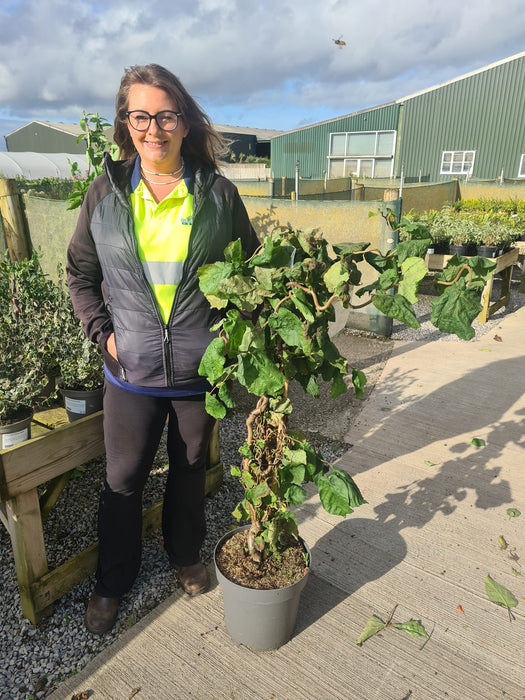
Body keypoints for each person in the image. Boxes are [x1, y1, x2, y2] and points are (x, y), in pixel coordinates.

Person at [66, 64, 260, 635]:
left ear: (184, 120)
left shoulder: (219, 195)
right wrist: (104, 334)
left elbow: (252, 274)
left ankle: (184, 555)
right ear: (126, 123)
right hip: (131, 374)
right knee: (123, 480)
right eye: (141, 115)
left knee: (189, 468)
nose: (154, 128)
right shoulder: (104, 193)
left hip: (199, 372)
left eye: (166, 115)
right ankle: (113, 581)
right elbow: (79, 273)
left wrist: (231, 336)